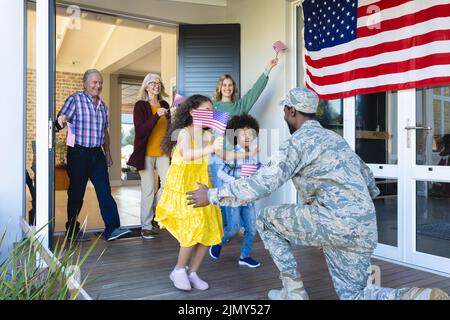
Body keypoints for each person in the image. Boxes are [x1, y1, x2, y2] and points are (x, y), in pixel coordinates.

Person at [186, 87, 450, 300]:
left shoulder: (297, 142)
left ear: (290, 110)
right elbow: (369, 181)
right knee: (354, 295)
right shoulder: (336, 140)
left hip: (331, 221)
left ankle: (294, 293)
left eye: (285, 111)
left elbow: (262, 184)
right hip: (364, 226)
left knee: (266, 219)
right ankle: (417, 296)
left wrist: (211, 195)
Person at [155, 95, 225, 292]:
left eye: (212, 110)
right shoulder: (184, 133)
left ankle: (192, 272)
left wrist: (245, 153)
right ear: (194, 112)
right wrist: (210, 147)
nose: (211, 114)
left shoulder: (208, 135)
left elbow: (224, 155)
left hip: (202, 185)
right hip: (183, 187)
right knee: (192, 228)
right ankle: (178, 270)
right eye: (206, 110)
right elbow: (186, 155)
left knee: (209, 229)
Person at [57, 69, 131, 242]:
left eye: (100, 83)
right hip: (78, 152)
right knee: (76, 193)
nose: (98, 86)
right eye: (94, 82)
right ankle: (72, 229)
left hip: (97, 154)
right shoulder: (75, 99)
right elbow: (63, 117)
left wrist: (108, 154)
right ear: (85, 83)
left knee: (105, 191)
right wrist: (61, 120)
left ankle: (112, 228)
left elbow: (105, 132)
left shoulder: (103, 106)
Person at [210, 58, 279, 225]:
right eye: (224, 85)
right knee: (218, 195)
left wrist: (267, 69)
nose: (227, 88)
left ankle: (235, 227)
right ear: (219, 88)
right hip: (217, 158)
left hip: (236, 159)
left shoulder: (239, 106)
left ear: (233, 88)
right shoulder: (212, 106)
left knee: (236, 193)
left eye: (230, 85)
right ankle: (220, 231)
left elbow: (255, 92)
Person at [209, 114, 261, 268]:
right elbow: (220, 173)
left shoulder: (253, 155)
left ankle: (245, 256)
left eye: (250, 133)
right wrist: (236, 182)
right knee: (233, 228)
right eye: (243, 132)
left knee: (252, 229)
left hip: (248, 199)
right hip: (233, 198)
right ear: (235, 135)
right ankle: (218, 242)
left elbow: (253, 174)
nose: (247, 136)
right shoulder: (233, 155)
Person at [127, 73, 170, 240]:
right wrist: (156, 115)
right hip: (145, 152)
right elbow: (141, 130)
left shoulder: (165, 104)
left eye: (158, 83)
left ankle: (153, 213)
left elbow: (169, 129)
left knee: (168, 185)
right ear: (146, 86)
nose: (156, 86)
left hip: (163, 152)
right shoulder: (140, 105)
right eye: (152, 83)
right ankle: (145, 226)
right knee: (148, 189)